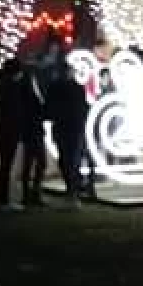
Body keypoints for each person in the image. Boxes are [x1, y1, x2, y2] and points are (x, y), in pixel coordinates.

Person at [52, 33, 108, 206]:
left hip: (66, 127)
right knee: (75, 159)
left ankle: (75, 188)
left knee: (68, 159)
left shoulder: (58, 88)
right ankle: (76, 190)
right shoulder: (75, 88)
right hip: (75, 127)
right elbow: (82, 106)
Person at [0, 45, 42, 211]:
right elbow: (13, 111)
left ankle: (2, 197)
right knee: (6, 165)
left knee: (4, 164)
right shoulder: (10, 90)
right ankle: (4, 200)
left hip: (1, 131)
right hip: (8, 132)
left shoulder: (1, 86)